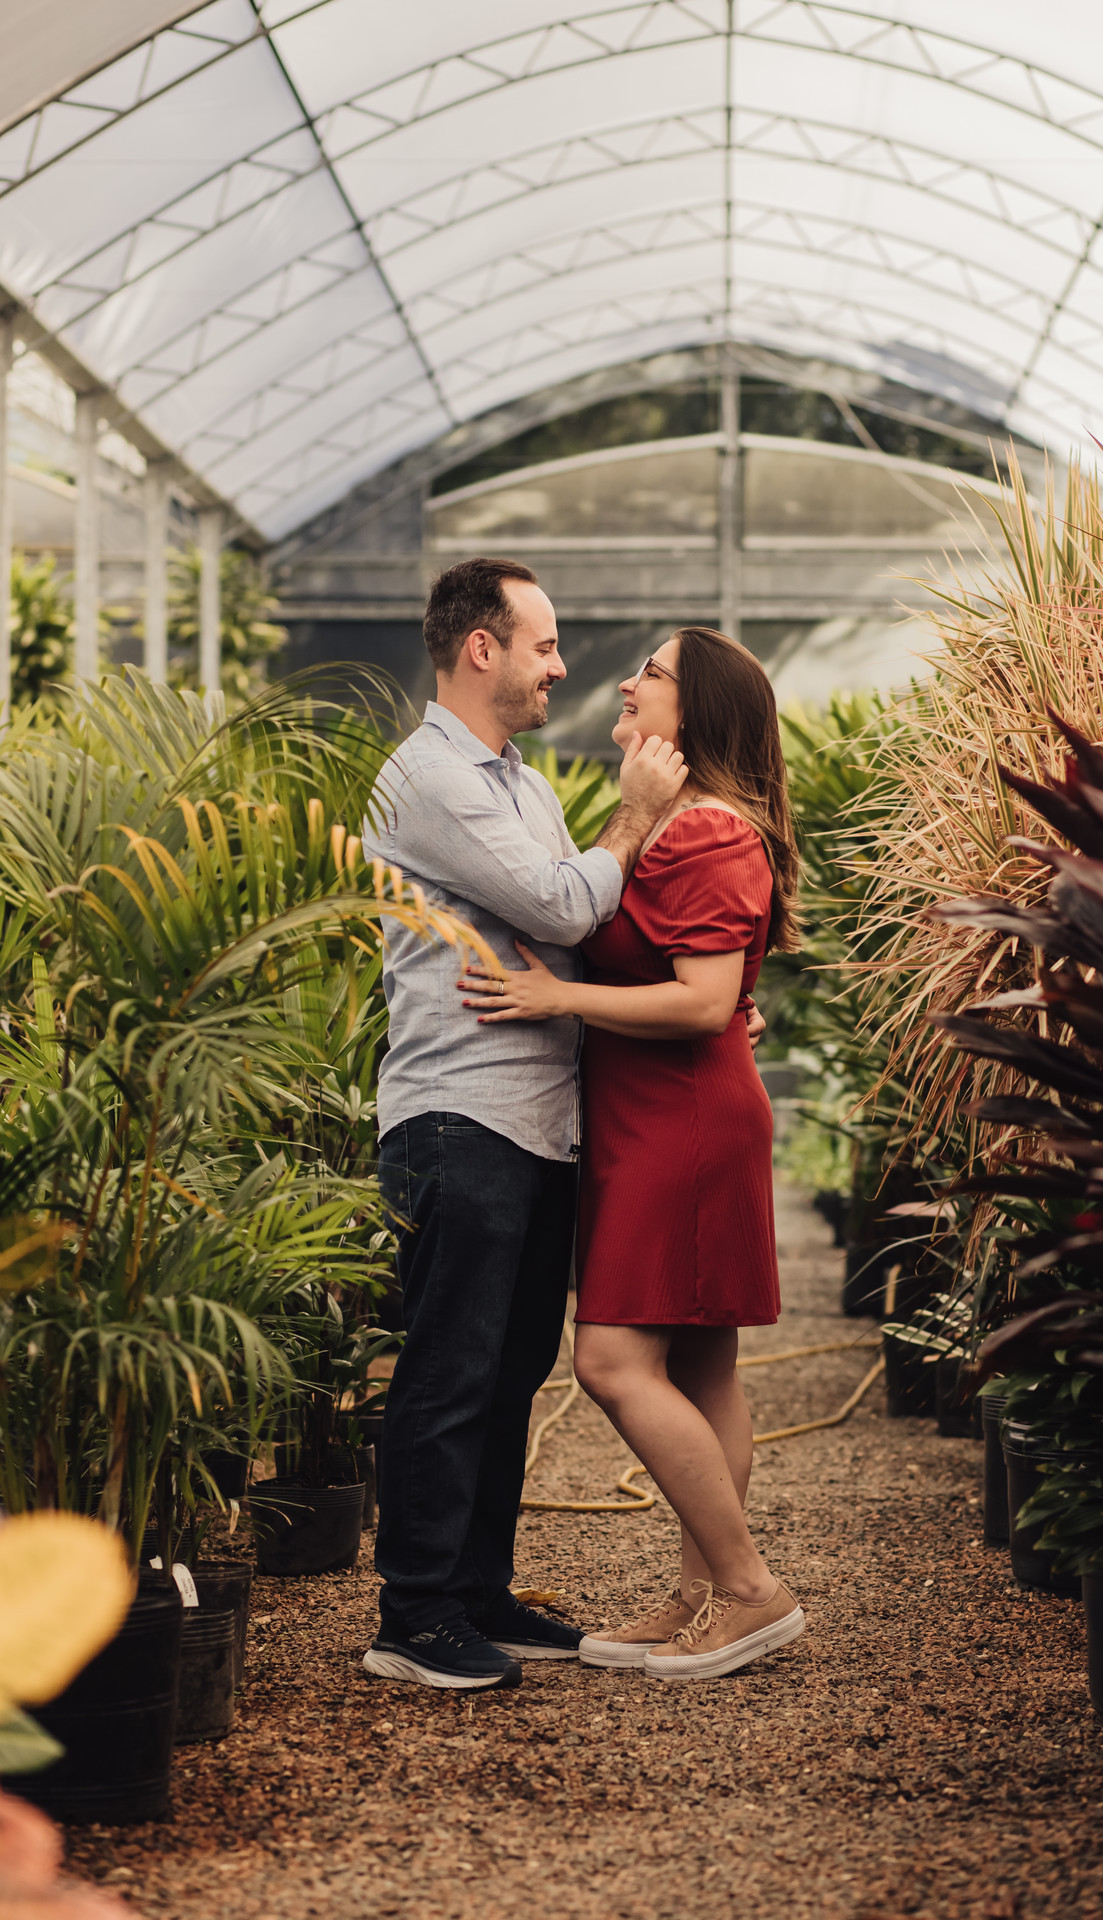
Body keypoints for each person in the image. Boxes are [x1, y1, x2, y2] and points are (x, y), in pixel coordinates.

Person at [361, 557, 690, 1692]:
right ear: (480, 648)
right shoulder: (428, 780)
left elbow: (569, 911)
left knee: (510, 1371)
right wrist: (641, 816)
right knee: (448, 1369)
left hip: (535, 1120)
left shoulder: (524, 785)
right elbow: (558, 904)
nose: (561, 666)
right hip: (459, 1112)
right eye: (543, 645)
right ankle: (411, 1615)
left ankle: (476, 1589)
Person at [461, 625, 804, 1681]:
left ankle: (749, 1590)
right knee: (700, 1365)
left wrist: (556, 994)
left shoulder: (705, 832)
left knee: (611, 1362)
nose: (624, 680)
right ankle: (702, 1592)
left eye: (649, 673)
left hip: (681, 1121)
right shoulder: (675, 823)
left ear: (692, 713)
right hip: (658, 1113)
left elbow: (704, 1001)